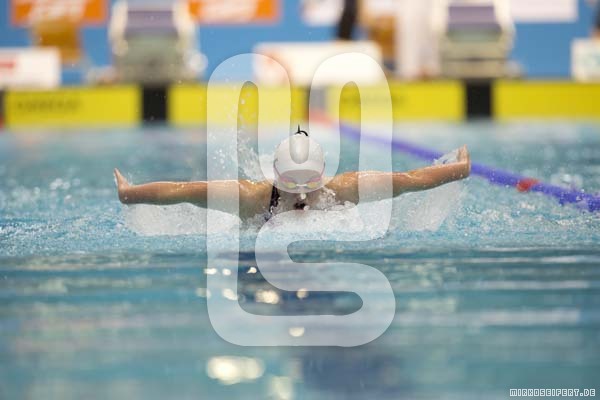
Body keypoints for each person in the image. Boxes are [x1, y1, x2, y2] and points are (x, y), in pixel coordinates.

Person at [115, 127, 471, 221]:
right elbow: (182, 189)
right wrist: (131, 194)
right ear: (275, 179)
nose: (301, 195)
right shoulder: (250, 197)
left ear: (323, 177)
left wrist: (458, 170)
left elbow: (409, 181)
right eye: (291, 186)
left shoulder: (345, 189)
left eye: (309, 186)